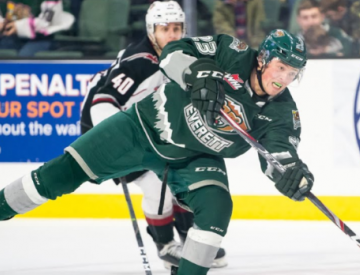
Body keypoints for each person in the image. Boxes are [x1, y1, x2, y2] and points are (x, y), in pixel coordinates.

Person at [0, 27, 314, 275]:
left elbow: (280, 156)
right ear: (263, 59)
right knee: (62, 173)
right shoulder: (233, 53)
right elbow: (175, 52)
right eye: (281, 67)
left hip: (195, 157)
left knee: (217, 209)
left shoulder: (282, 114)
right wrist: (198, 73)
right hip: (143, 126)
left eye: (292, 73)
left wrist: (293, 176)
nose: (284, 79)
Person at [80, 1, 226, 269]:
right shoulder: (140, 62)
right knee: (155, 184)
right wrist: (111, 141)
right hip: (103, 129)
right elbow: (102, 102)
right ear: (151, 30)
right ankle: (165, 245)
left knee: (181, 170)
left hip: (144, 125)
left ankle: (188, 239)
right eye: (164, 29)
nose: (171, 34)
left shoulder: (181, 53)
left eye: (176, 28)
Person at [0, 0, 74, 57]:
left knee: (24, 58)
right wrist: (4, 23)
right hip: (11, 37)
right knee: (4, 52)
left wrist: (19, 27)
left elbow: (49, 22)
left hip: (42, 39)